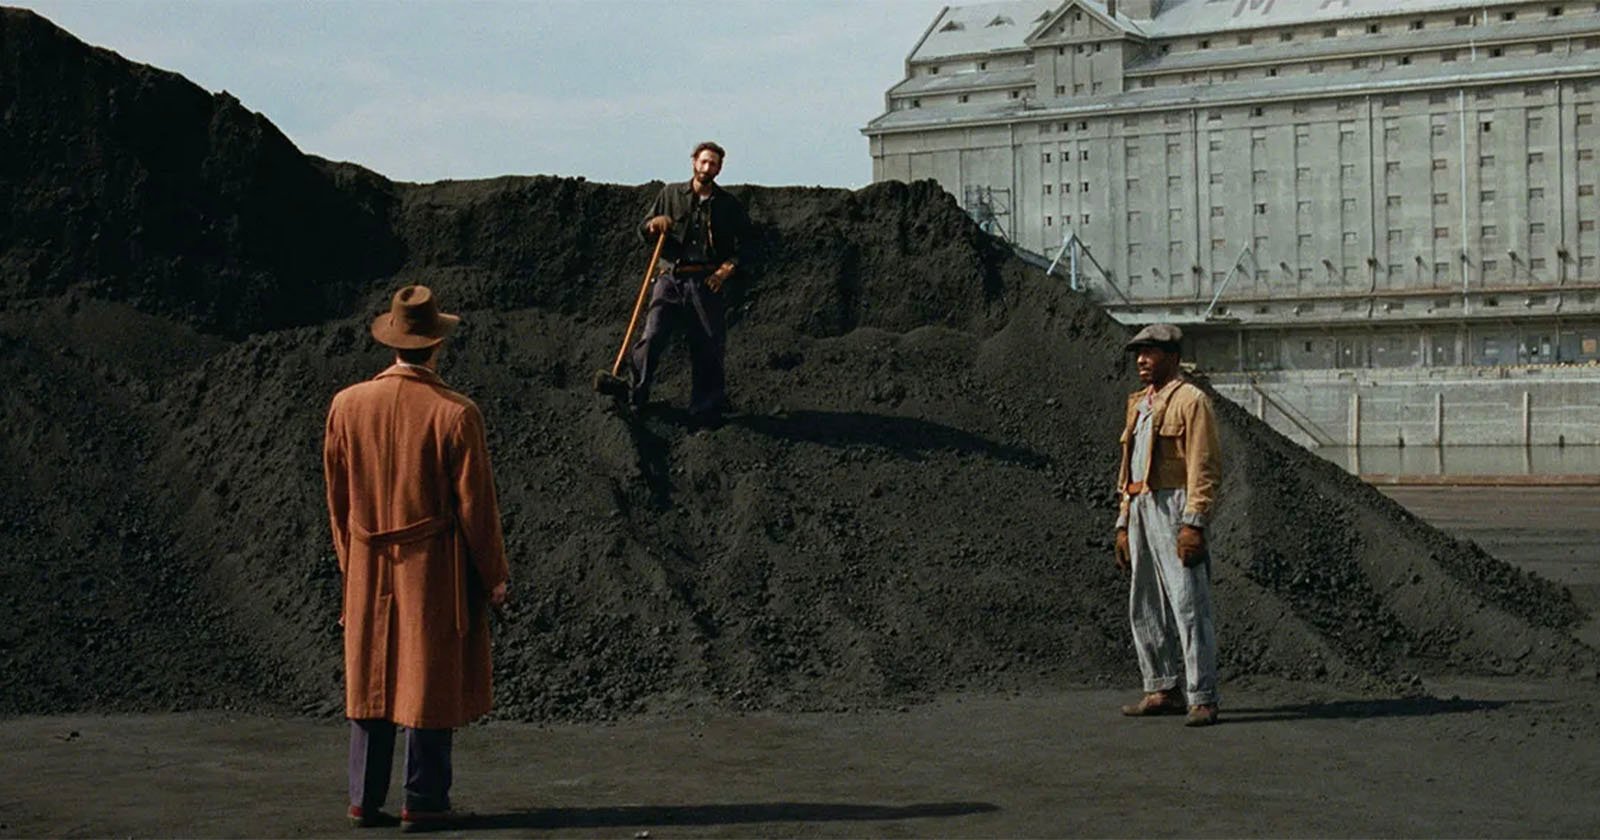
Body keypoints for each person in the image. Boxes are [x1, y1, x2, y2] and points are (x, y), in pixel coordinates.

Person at [323, 285, 511, 830]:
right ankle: (423, 800)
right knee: (427, 676)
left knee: (371, 675)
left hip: (366, 558)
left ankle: (364, 797)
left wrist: (351, 560)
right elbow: (478, 507)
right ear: (436, 345)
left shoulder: (346, 405)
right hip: (430, 566)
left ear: (393, 343)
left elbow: (337, 502)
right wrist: (493, 576)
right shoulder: (455, 413)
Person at [1112, 323, 1223, 727]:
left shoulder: (1192, 401)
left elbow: (1204, 466)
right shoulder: (1139, 404)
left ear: (1172, 357)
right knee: (1144, 603)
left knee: (1189, 604)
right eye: (1138, 353)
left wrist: (1194, 522)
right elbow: (1129, 468)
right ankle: (1161, 687)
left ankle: (1203, 696)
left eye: (1151, 352)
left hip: (1174, 506)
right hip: (1142, 504)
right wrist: (1123, 522)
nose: (1141, 359)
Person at [629, 140, 752, 426]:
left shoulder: (728, 206)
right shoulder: (670, 194)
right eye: (703, 161)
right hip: (670, 277)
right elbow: (643, 230)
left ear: (719, 169)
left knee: (708, 342)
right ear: (694, 162)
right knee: (653, 334)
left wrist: (725, 271)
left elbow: (746, 246)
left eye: (713, 163)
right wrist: (653, 224)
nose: (707, 167)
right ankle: (636, 396)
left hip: (705, 280)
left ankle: (705, 409)